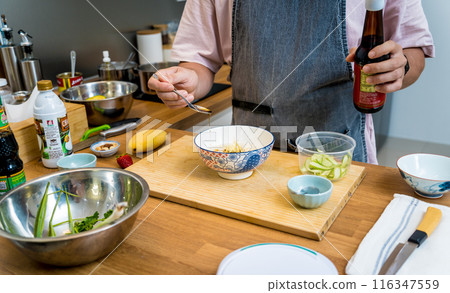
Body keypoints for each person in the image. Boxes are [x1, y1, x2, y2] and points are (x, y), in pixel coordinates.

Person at [148, 0, 434, 164]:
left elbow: (414, 51)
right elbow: (199, 62)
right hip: (245, 153)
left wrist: (400, 66)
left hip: (337, 153)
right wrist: (189, 80)